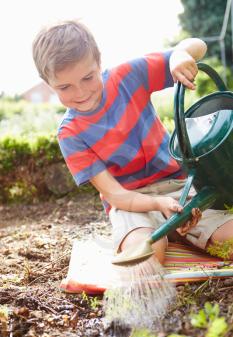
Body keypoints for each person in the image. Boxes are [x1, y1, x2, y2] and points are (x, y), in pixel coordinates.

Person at [32, 20, 233, 264]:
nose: (80, 92)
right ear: (48, 84)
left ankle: (182, 232)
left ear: (99, 62)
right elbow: (115, 195)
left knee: (230, 240)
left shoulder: (128, 76)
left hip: (179, 188)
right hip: (131, 202)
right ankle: (168, 236)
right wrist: (157, 204)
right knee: (147, 258)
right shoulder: (70, 133)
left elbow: (198, 46)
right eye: (64, 87)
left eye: (88, 77)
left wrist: (179, 55)